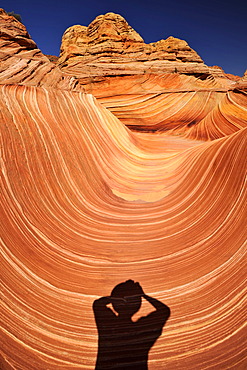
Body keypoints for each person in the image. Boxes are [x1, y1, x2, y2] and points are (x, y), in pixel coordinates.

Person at [93, 280, 170, 369]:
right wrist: (142, 295)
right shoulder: (142, 331)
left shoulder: (108, 326)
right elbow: (164, 311)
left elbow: (98, 304)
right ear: (137, 305)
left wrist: (118, 298)